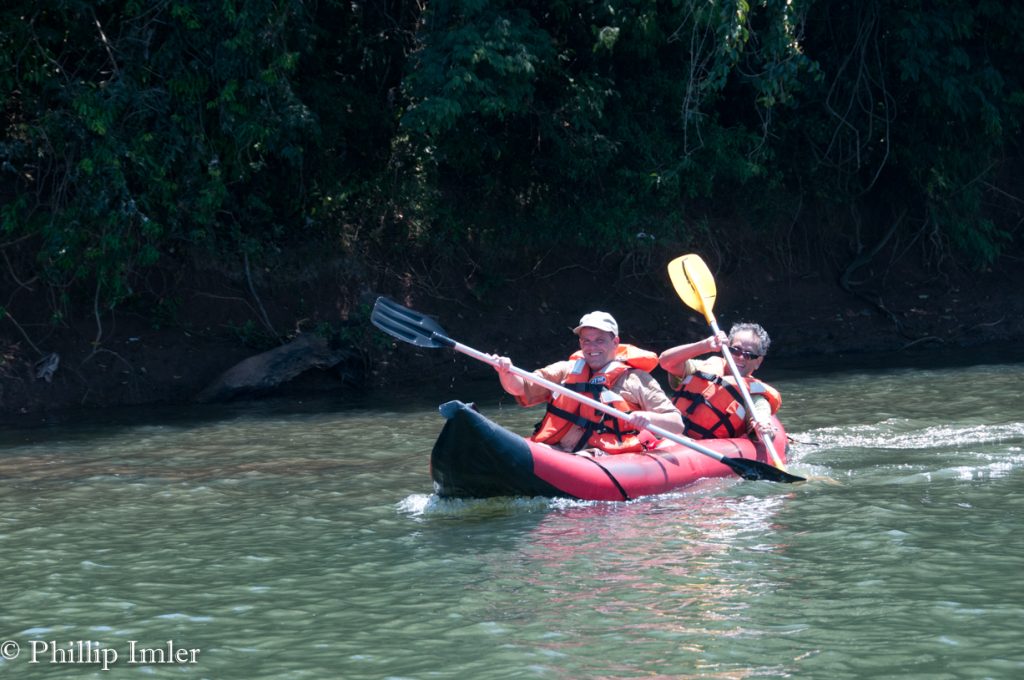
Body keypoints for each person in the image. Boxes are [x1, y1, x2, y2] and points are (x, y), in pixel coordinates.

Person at [492, 311, 683, 455]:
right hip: (559, 451)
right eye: (586, 341)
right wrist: (505, 371)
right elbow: (517, 387)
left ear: (615, 342)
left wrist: (648, 418)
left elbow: (677, 424)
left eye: (599, 340)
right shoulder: (566, 370)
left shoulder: (636, 379)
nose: (592, 348)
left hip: (601, 458)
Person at [658, 322, 781, 442]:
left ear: (758, 362)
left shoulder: (754, 396)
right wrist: (704, 345)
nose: (741, 357)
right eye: (736, 350)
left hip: (703, 449)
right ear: (726, 349)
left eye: (749, 355)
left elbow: (763, 418)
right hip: (667, 435)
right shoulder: (701, 368)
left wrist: (764, 428)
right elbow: (665, 362)